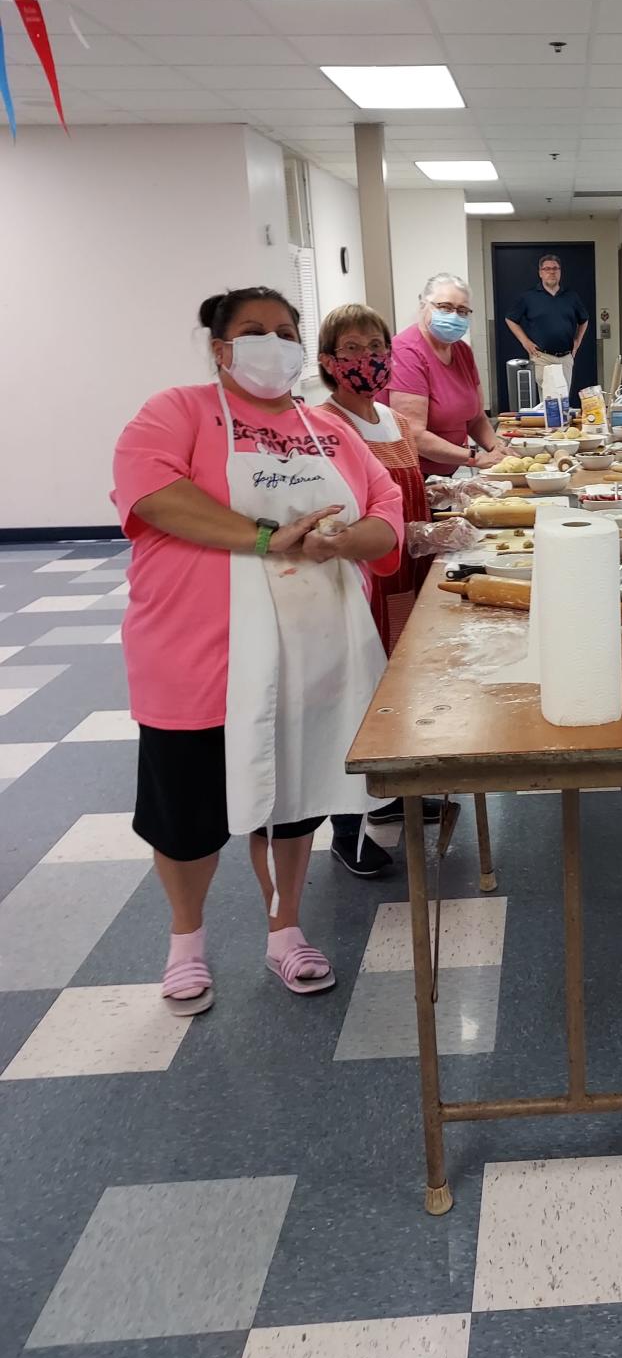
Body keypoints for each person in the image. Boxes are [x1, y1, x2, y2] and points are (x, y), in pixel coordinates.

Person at [113, 287, 405, 1014]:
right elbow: (153, 495)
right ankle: (186, 945)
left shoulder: (328, 431)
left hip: (307, 654)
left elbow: (386, 518)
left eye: (284, 330)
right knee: (187, 817)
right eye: (252, 332)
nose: (272, 343)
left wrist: (342, 540)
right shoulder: (178, 411)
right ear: (220, 348)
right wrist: (272, 539)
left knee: (292, 802)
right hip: (198, 654)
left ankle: (286, 931)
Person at [319, 302, 432, 878]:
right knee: (358, 693)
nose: (369, 359)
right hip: (363, 580)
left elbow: (410, 495)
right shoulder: (326, 426)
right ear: (328, 362)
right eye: (353, 349)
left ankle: (399, 793)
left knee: (400, 683)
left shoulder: (390, 418)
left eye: (377, 346)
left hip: (406, 575)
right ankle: (345, 827)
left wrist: (439, 520)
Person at [390, 273, 505, 477]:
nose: (454, 316)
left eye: (462, 311)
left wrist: (496, 448)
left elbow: (476, 417)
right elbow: (413, 435)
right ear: (423, 305)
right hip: (411, 476)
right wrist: (475, 457)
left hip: (445, 474)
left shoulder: (462, 351)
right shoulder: (405, 352)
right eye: (445, 307)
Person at [504, 253, 590, 399]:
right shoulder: (529, 297)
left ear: (560, 272)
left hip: (565, 357)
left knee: (563, 398)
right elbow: (510, 319)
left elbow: (584, 319)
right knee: (549, 399)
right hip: (541, 357)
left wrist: (577, 342)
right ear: (540, 273)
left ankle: (561, 422)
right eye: (547, 269)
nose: (551, 272)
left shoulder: (571, 296)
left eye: (555, 268)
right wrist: (525, 342)